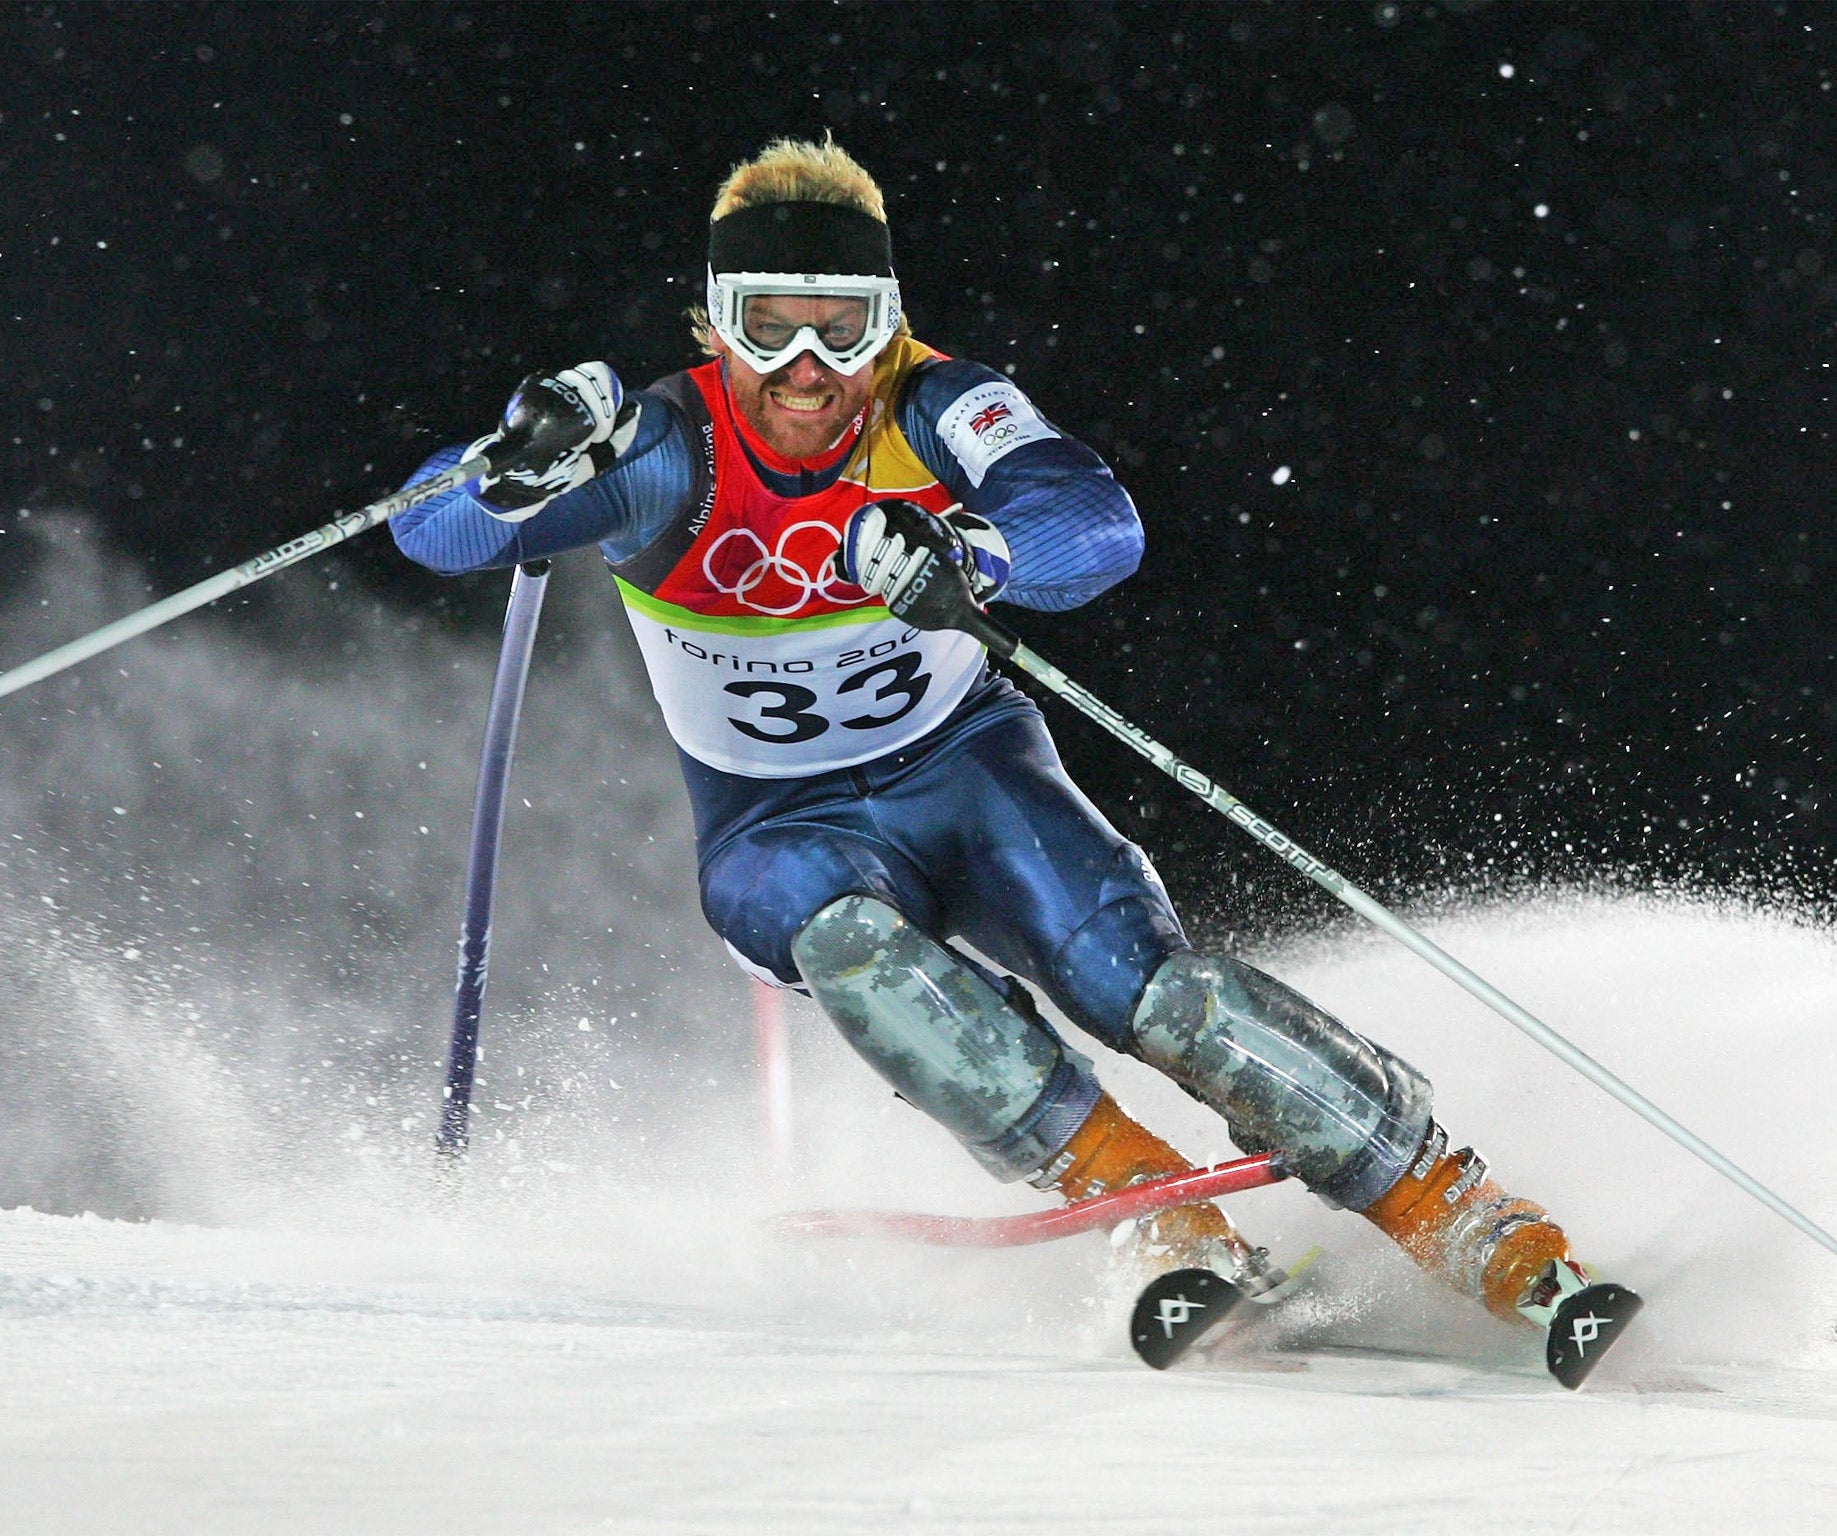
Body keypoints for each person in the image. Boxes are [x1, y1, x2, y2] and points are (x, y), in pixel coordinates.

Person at [392, 136, 1601, 1337]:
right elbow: (432, 533)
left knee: (1147, 992)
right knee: (854, 945)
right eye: (770, 328)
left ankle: (1470, 1218)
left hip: (965, 771)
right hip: (777, 820)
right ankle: (1149, 1209)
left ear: (892, 321)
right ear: (714, 328)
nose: (808, 370)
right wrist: (507, 473)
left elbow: (1095, 522)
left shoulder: (933, 404)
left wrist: (977, 552)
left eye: (844, 327)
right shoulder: (663, 453)